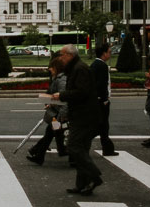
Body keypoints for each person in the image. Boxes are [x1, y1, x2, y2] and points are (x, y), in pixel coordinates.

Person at [56, 44, 103, 196]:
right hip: (83, 115)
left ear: (70, 55)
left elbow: (81, 92)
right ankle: (82, 184)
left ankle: (94, 176)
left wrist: (61, 95)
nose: (60, 58)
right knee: (81, 149)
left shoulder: (79, 69)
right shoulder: (76, 68)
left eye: (62, 55)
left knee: (74, 146)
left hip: (85, 116)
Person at [27, 56, 68, 164]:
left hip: (58, 115)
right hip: (57, 114)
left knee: (51, 132)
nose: (49, 69)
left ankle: (38, 152)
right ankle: (39, 154)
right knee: (50, 132)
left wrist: (62, 115)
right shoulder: (58, 79)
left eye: (51, 67)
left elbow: (64, 99)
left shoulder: (61, 80)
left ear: (56, 68)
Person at [90, 42, 118, 156]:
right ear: (103, 53)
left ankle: (108, 148)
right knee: (101, 125)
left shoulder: (95, 64)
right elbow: (102, 84)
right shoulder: (102, 66)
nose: (110, 54)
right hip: (101, 101)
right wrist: (105, 99)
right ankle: (107, 148)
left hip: (97, 100)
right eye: (109, 52)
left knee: (102, 126)